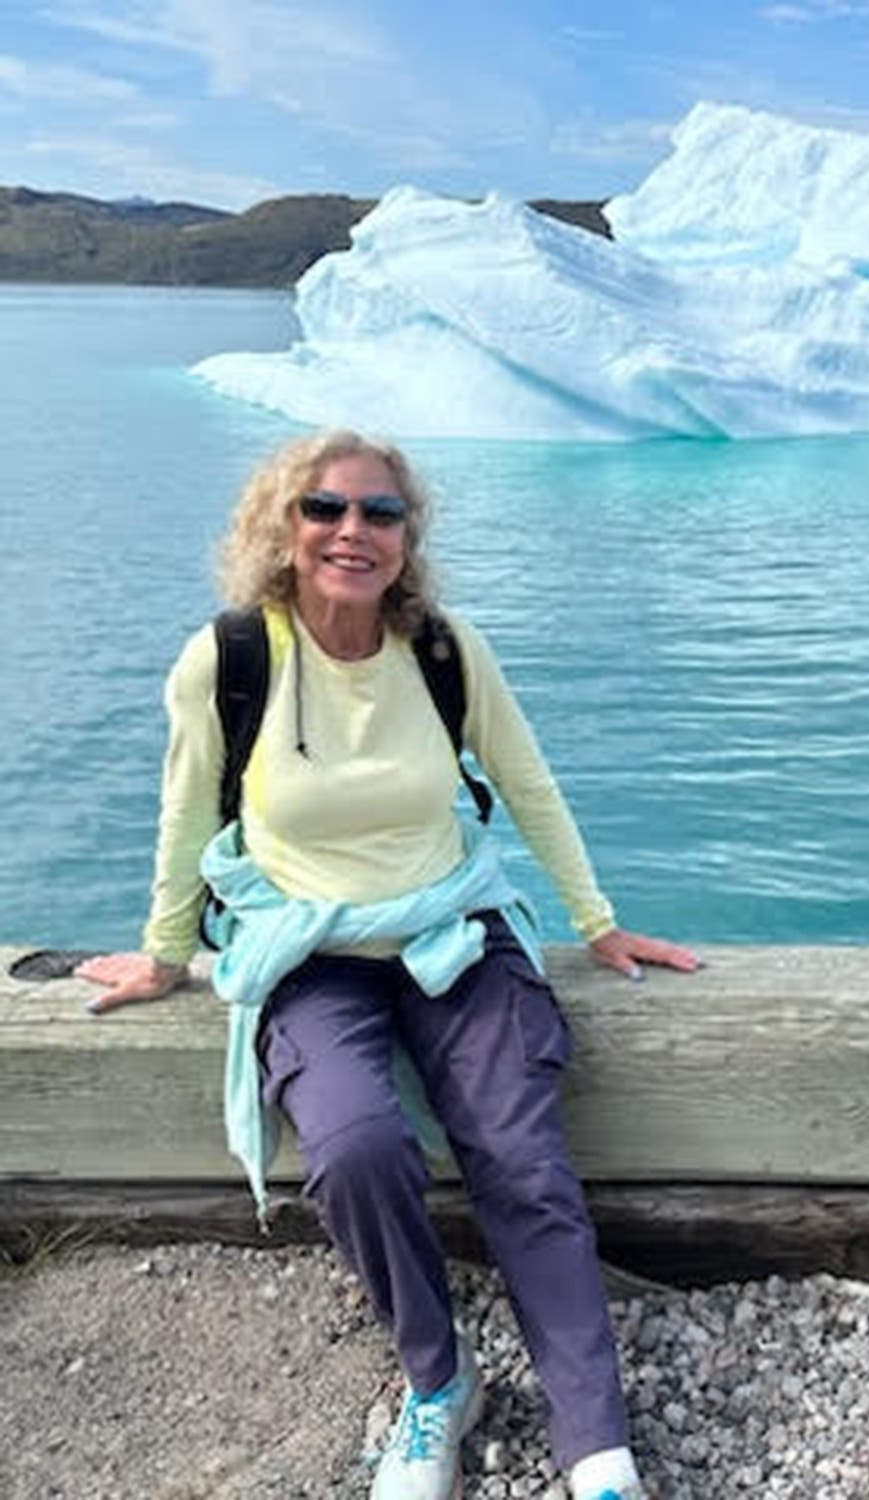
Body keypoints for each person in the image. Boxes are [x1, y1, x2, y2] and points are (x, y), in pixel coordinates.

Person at [78, 429, 698, 1500]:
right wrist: (167, 954)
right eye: (324, 508)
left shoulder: (444, 650)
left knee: (522, 1158)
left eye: (380, 512)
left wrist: (596, 922)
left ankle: (597, 1446)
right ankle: (438, 1380)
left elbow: (528, 783)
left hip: (452, 932)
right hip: (313, 954)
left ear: (409, 537)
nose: (351, 531)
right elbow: (186, 817)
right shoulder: (231, 660)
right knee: (356, 1148)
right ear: (282, 526)